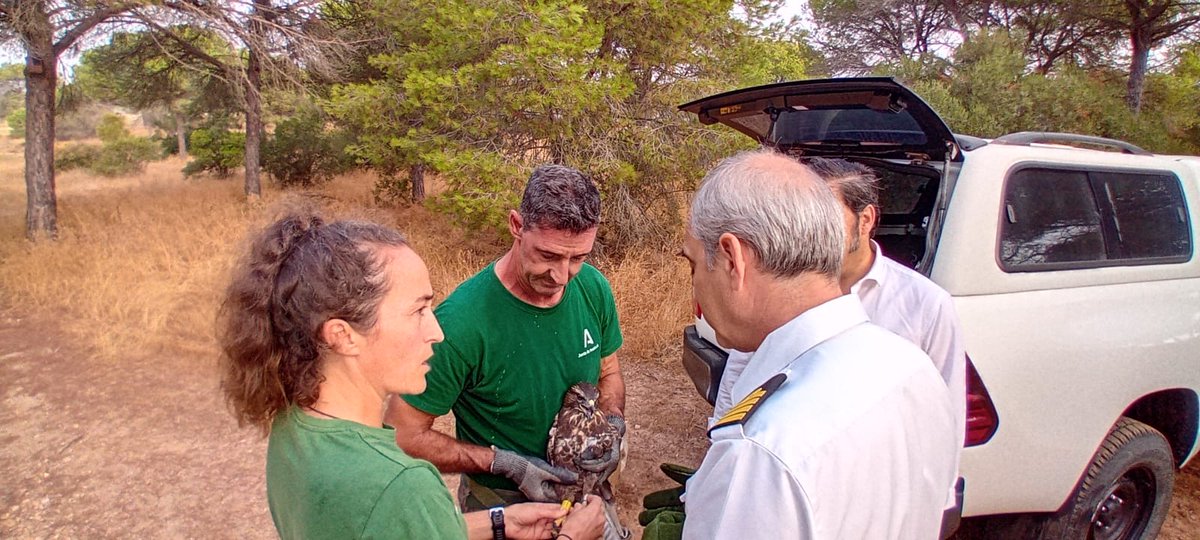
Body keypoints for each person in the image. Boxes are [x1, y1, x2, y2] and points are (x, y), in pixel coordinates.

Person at [217, 212, 605, 540]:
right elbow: (397, 508)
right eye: (418, 310)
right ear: (342, 335)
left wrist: (499, 521)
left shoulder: (295, 428)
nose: (436, 331)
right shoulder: (401, 482)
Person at [677, 150, 956, 538]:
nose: (695, 286)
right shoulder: (914, 368)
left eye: (692, 264)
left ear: (732, 259)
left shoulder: (761, 452)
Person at [385, 164, 626, 514]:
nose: (562, 275)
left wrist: (612, 425)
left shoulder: (593, 288)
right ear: (516, 226)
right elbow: (402, 435)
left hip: (584, 496)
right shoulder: (461, 323)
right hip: (501, 506)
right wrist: (505, 465)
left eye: (578, 258)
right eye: (548, 255)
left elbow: (609, 374)